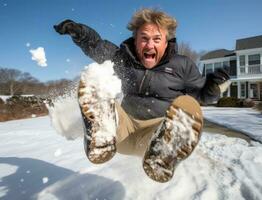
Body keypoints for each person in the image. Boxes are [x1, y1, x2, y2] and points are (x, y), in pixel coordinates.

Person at [54, 8, 230, 182]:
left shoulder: (182, 65)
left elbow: (200, 96)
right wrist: (78, 31)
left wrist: (212, 88)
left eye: (156, 39)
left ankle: (164, 154)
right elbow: (96, 45)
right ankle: (101, 137)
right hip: (122, 132)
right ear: (135, 40)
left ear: (166, 42)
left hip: (154, 137)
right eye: (144, 38)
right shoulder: (123, 59)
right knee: (95, 81)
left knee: (187, 105)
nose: (150, 45)